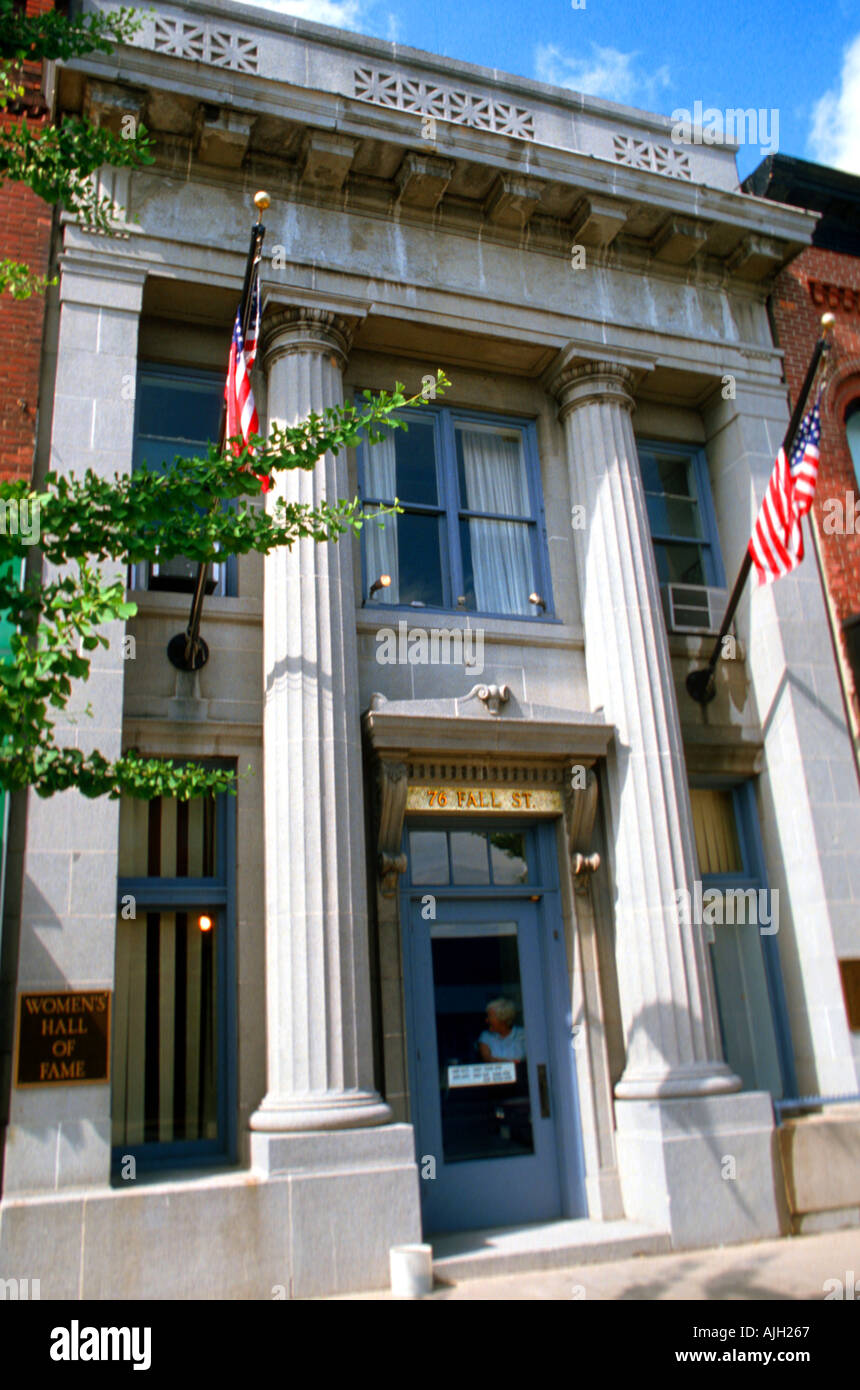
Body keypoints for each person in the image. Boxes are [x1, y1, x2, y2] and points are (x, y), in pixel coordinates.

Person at [477, 997, 526, 1061]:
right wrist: (511, 1062)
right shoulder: (486, 1036)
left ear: (502, 1018)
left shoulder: (523, 1034)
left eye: (490, 1016)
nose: (486, 1020)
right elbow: (487, 1059)